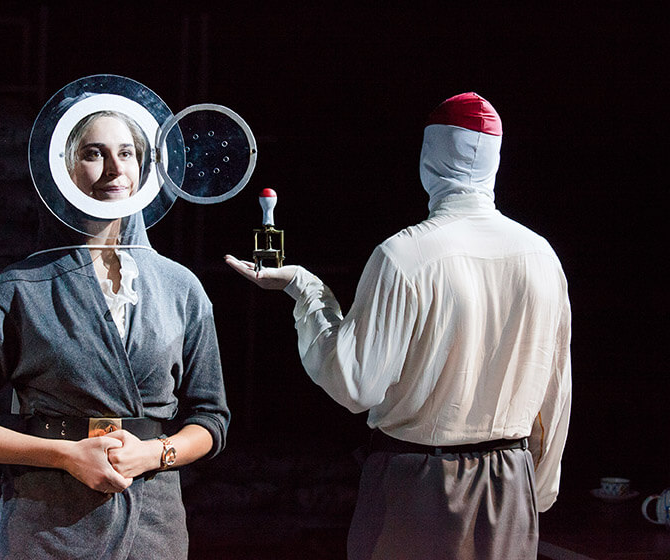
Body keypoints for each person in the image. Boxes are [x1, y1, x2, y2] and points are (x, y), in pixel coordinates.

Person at [225, 92, 571, 559]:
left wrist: (306, 290)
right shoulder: (541, 256)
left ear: (429, 158)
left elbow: (354, 382)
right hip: (511, 482)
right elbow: (556, 390)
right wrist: (539, 489)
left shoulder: (405, 256)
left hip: (420, 485)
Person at [0, 109, 229, 559]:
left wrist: (154, 454)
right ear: (65, 168)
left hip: (153, 528)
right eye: (95, 153)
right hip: (48, 528)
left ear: (145, 165)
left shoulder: (180, 287)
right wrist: (66, 456)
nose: (115, 169)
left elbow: (211, 418)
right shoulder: (21, 288)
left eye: (127, 153)